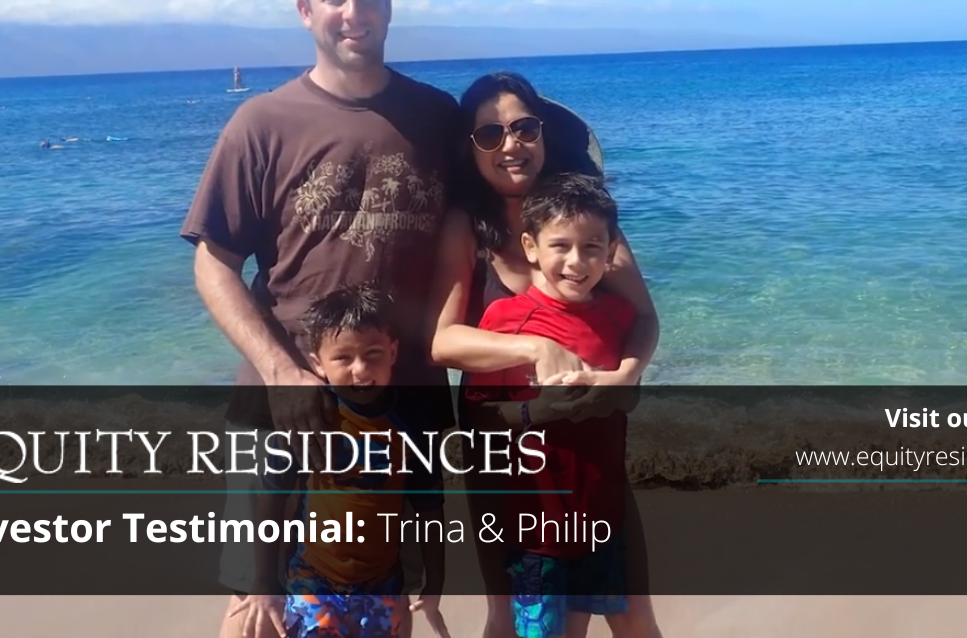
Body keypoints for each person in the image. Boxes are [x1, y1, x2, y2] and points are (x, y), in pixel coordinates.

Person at [178, 0, 459, 635]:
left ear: (389, 2)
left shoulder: (438, 117)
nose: (352, 12)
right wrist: (279, 370)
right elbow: (213, 261)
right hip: (285, 410)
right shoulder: (262, 123)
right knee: (259, 610)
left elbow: (498, 218)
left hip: (405, 410)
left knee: (391, 607)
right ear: (305, 9)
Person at [423, 71, 663, 638]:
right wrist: (535, 347)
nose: (511, 145)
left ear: (543, 133)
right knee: (512, 618)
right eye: (490, 135)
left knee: (632, 615)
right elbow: (442, 341)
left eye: (524, 128)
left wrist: (628, 374)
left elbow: (644, 318)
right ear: (470, 148)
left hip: (592, 456)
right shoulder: (467, 226)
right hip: (502, 455)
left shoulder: (582, 218)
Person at [461, 173, 648, 638]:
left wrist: (611, 386)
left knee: (578, 628)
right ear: (531, 247)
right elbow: (482, 417)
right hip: (534, 530)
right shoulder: (505, 321)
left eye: (592, 247)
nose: (576, 261)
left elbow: (630, 396)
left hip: (600, 521)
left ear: (611, 250)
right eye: (560, 246)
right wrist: (536, 412)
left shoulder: (618, 317)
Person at [231, 282, 451, 638]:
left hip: (382, 585)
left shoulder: (411, 424)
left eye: (373, 354)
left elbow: (429, 508)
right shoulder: (310, 421)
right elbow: (271, 498)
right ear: (317, 363)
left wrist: (434, 584)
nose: (360, 370)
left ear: (393, 352)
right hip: (312, 582)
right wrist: (264, 581)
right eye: (343, 358)